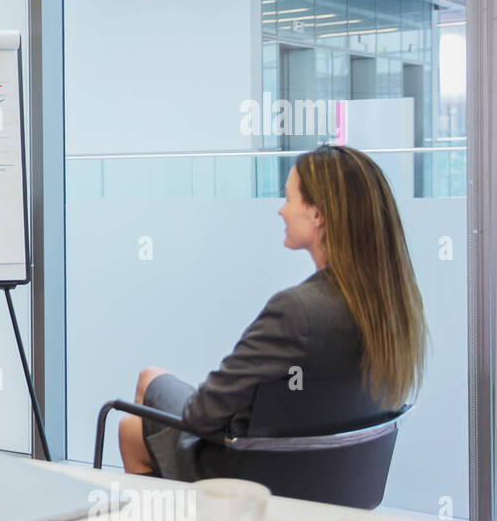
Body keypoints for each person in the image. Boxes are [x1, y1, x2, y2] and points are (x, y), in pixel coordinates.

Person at [120, 144, 427, 481]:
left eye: (289, 198)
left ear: (317, 214)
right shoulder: (390, 307)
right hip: (337, 475)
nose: (281, 210)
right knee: (143, 409)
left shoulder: (298, 312)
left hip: (260, 476)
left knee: (135, 414)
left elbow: (202, 414)